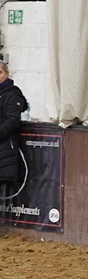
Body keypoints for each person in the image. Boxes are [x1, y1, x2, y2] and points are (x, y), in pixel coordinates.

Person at [0, 61, 28, 190]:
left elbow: (12, 121)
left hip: (5, 152)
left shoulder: (12, 94)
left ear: (8, 74)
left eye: (0, 72)